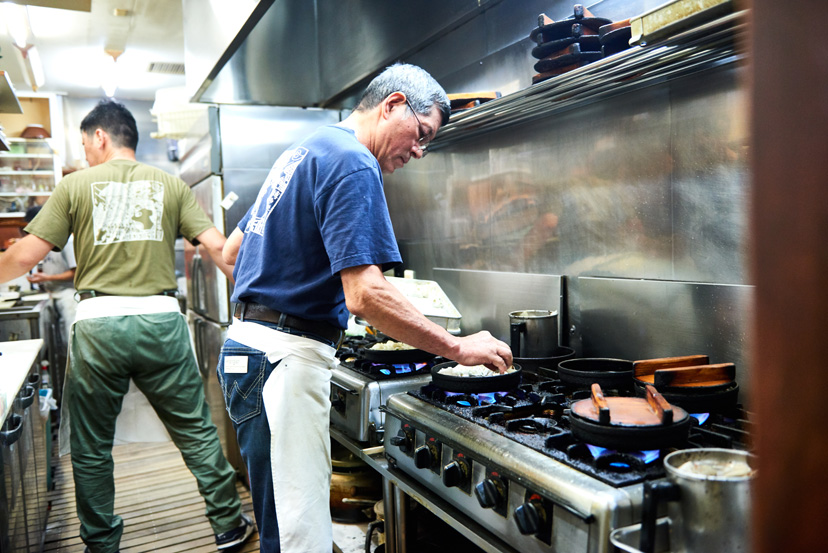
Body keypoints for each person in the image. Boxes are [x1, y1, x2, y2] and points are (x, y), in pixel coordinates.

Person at [219, 63, 513, 553]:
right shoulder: (355, 162)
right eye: (421, 133)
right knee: (299, 539)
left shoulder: (305, 151)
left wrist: (280, 303)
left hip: (250, 351)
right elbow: (365, 294)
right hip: (281, 366)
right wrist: (457, 347)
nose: (420, 150)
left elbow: (232, 254)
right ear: (393, 104)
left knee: (279, 524)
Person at [0, 100, 254, 553]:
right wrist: (263, 298)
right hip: (161, 323)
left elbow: (22, 258)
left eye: (84, 143)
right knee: (194, 429)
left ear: (100, 137)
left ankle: (101, 544)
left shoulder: (74, 186)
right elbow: (222, 251)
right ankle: (229, 525)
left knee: (92, 446)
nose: (85, 152)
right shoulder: (172, 185)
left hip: (100, 328)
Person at [24, 205, 77, 348]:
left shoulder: (67, 241)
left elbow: (76, 273)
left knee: (70, 339)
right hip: (52, 294)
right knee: (57, 340)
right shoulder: (46, 241)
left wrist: (47, 278)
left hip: (69, 295)